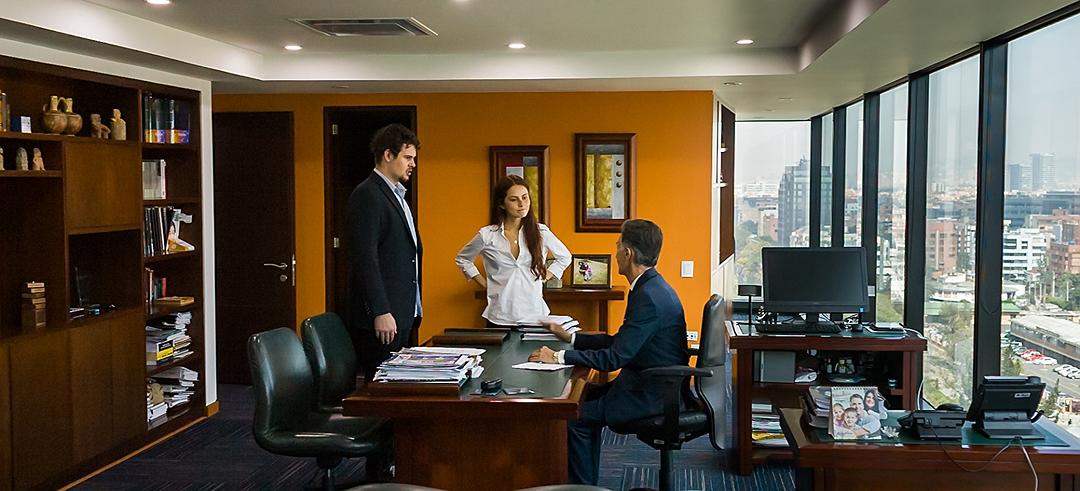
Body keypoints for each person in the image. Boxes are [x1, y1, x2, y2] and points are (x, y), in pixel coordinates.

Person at [528, 219, 688, 485]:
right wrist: (573, 338)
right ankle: (585, 485)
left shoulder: (648, 296)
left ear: (628, 253)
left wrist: (557, 356)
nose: (615, 253)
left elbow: (615, 358)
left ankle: (581, 490)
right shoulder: (651, 287)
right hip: (650, 383)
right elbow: (620, 342)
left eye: (617, 246)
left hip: (651, 394)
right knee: (582, 396)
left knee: (574, 418)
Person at [346, 123, 422, 380]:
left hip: (401, 314)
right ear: (388, 155)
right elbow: (365, 258)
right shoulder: (367, 195)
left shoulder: (398, 196)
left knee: (398, 387)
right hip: (383, 318)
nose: (413, 164)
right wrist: (380, 310)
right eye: (408, 158)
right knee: (381, 387)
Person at [454, 175, 572, 328]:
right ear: (502, 204)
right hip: (499, 316)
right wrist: (485, 284)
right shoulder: (487, 235)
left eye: (525, 197)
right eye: (514, 199)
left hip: (535, 314)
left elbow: (565, 257)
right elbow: (463, 259)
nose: (522, 204)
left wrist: (545, 276)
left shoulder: (541, 232)